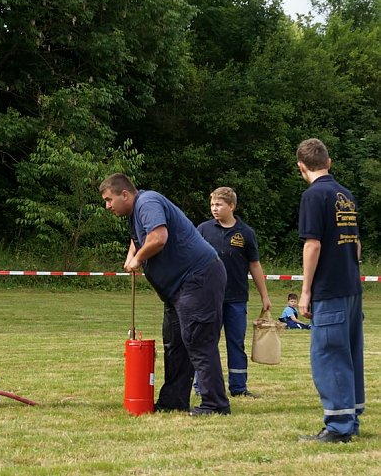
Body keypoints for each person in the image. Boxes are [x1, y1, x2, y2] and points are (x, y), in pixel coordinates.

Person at [100, 173, 230, 416]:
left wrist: (138, 259)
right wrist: (131, 255)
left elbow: (158, 237)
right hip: (177, 289)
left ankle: (215, 404)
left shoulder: (147, 203)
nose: (107, 205)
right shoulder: (135, 213)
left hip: (198, 279)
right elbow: (137, 238)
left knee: (198, 341)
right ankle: (173, 401)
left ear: (125, 194)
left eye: (109, 199)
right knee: (175, 343)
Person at [295, 138, 364, 443]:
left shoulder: (314, 196)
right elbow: (356, 245)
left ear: (301, 167)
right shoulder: (345, 195)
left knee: (329, 354)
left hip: (329, 289)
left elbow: (313, 244)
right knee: (349, 353)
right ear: (329, 162)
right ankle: (352, 416)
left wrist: (306, 290)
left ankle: (338, 426)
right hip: (350, 285)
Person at [197, 187, 272, 398]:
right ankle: (201, 386)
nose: (214, 208)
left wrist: (265, 296)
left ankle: (239, 388)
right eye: (212, 204)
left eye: (219, 204)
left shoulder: (246, 233)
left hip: (236, 299)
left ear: (231, 206)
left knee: (236, 343)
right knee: (206, 342)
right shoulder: (203, 230)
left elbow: (255, 265)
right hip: (208, 297)